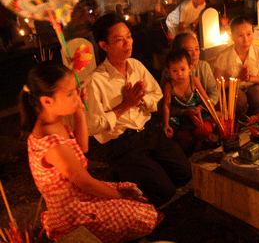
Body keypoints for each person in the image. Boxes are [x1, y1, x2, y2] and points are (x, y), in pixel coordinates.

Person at [19, 61, 163, 243]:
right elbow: (87, 184)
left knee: (136, 193)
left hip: (80, 195)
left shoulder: (53, 122)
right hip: (72, 212)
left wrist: (78, 108)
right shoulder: (52, 145)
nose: (76, 96)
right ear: (47, 101)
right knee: (146, 214)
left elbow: (82, 148)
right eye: (70, 94)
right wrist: (121, 198)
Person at [86, 13, 192, 207]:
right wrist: (124, 106)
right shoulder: (96, 81)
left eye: (128, 36)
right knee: (164, 191)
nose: (128, 43)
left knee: (185, 173)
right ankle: (125, 182)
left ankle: (142, 174)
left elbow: (157, 96)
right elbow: (92, 126)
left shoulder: (136, 66)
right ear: (104, 45)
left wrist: (140, 100)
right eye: (119, 40)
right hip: (123, 144)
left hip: (150, 133)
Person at [214, 16, 259, 119]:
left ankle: (253, 119)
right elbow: (217, 85)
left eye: (249, 34)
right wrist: (238, 79)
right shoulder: (224, 56)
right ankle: (235, 121)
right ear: (232, 37)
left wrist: (249, 78)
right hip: (231, 89)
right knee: (239, 99)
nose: (246, 40)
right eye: (240, 36)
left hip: (253, 86)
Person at [162, 48, 215, 154]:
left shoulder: (194, 81)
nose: (179, 74)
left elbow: (206, 99)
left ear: (190, 68)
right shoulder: (169, 86)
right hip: (181, 118)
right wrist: (166, 124)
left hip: (197, 114)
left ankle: (200, 146)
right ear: (169, 71)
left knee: (205, 129)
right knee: (180, 138)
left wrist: (212, 113)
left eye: (183, 69)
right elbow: (166, 106)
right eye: (175, 71)